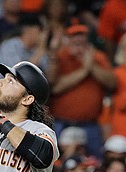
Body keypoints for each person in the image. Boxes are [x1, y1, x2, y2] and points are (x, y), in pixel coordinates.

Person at [48, 21, 116, 159]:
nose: (78, 41)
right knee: (55, 160)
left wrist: (92, 66)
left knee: (96, 160)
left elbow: (112, 83)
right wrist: (85, 70)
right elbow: (54, 87)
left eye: (81, 37)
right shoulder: (60, 57)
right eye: (74, 38)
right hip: (61, 122)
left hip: (90, 123)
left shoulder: (97, 57)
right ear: (68, 40)